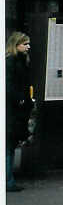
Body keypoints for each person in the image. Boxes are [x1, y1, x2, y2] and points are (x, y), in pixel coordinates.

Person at [6, 32, 33, 192]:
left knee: (9, 146)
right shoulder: (12, 62)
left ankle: (9, 179)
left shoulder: (18, 62)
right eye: (25, 44)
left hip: (16, 110)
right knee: (8, 146)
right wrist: (20, 99)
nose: (28, 47)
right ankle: (8, 180)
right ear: (16, 45)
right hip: (13, 111)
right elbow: (10, 86)